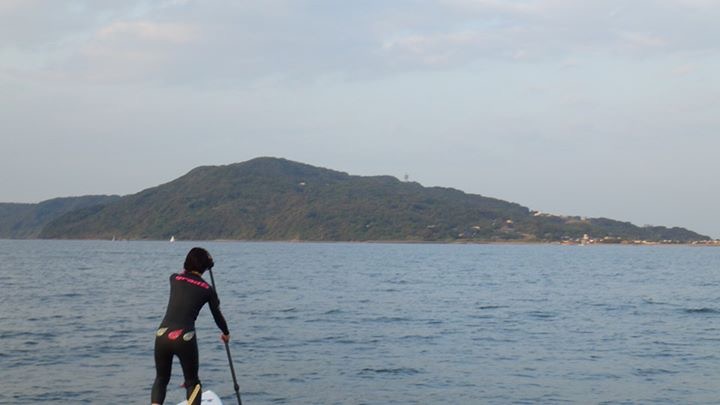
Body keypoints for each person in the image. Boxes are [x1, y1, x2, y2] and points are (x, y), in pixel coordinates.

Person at [151, 247, 230, 405]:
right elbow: (218, 316)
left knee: (161, 379)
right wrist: (225, 333)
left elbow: (183, 276)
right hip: (184, 338)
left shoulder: (173, 278)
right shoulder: (208, 290)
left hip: (162, 335)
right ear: (205, 267)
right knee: (193, 383)